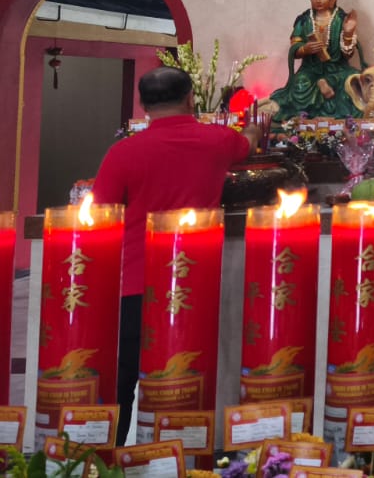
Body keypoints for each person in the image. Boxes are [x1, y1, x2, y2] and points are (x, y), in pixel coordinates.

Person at [91, 66, 263, 440]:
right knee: (184, 379)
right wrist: (253, 126)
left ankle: (108, 458)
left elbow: (99, 211)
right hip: (192, 286)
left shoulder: (122, 153)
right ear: (190, 98)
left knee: (122, 382)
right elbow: (249, 142)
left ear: (143, 104)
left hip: (133, 285)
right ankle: (178, 457)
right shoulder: (217, 141)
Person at [266, 0, 365, 121]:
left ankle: (326, 85)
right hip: (310, 69)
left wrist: (348, 34)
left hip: (337, 69)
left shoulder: (341, 19)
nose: (318, 0)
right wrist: (305, 49)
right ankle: (306, 113)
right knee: (300, 85)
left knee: (352, 82)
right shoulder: (304, 19)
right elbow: (295, 47)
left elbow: (348, 54)